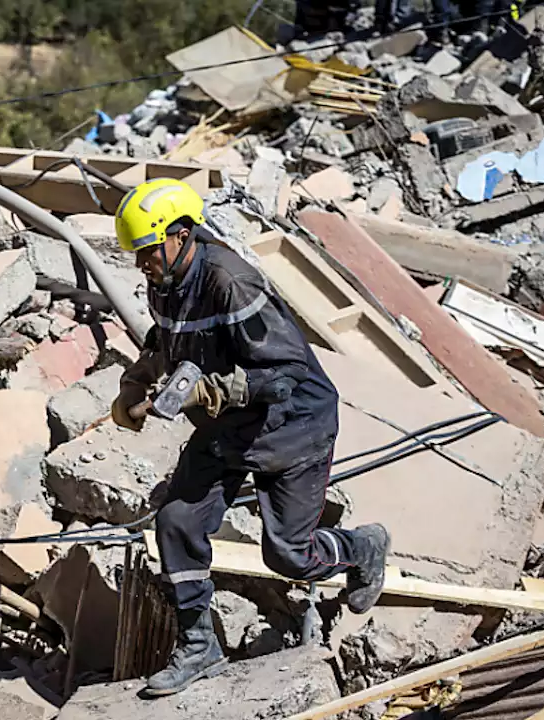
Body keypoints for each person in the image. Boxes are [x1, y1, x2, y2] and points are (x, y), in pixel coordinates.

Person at [109, 179, 392, 698]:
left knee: (288, 556)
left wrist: (211, 392)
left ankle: (360, 547)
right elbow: (163, 339)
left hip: (291, 426)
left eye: (147, 251)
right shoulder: (165, 279)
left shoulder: (231, 283)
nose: (140, 264)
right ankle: (199, 645)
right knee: (175, 521)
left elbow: (282, 374)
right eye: (138, 255)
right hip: (227, 429)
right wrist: (136, 381)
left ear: (181, 234)